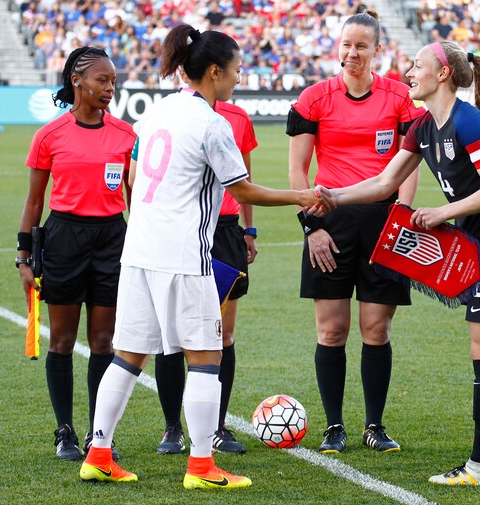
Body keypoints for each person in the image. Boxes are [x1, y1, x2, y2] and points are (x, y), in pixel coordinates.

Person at [78, 24, 330, 488]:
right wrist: (302, 196)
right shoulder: (213, 124)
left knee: (128, 355)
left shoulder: (157, 110)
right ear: (214, 71)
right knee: (206, 358)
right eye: (235, 71)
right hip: (182, 256)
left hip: (139, 251)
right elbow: (243, 189)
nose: (238, 79)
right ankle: (201, 466)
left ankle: (97, 452)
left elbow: (135, 175)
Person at [321, 41, 480, 486]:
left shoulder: (469, 120)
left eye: (417, 65)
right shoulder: (425, 126)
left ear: (443, 74)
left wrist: (442, 213)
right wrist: (332, 197)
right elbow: (387, 180)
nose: (408, 71)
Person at [287, 9, 426, 455]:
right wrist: (311, 226)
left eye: (361, 46)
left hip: (384, 221)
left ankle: (374, 425)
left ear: (377, 50)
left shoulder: (400, 98)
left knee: (376, 329)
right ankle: (333, 426)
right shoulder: (314, 98)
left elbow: (409, 165)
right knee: (331, 330)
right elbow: (297, 167)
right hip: (330, 221)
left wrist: (401, 216)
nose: (352, 53)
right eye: (346, 45)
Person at [17, 46, 136, 461]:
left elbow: (135, 200)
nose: (110, 87)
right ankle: (64, 430)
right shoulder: (49, 135)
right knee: (63, 341)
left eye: (113, 81)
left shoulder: (126, 135)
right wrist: (24, 255)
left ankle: (98, 433)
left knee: (104, 341)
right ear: (77, 81)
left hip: (112, 239)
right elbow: (35, 202)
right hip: (64, 238)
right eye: (102, 80)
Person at [154, 75, 259, 456]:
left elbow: (244, 176)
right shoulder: (174, 113)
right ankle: (171, 429)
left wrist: (249, 228)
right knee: (172, 336)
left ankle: (217, 425)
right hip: (184, 227)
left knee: (222, 335)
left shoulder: (237, 117)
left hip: (227, 231)